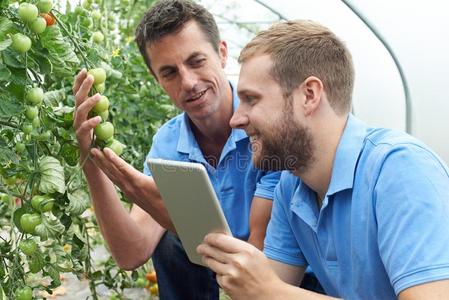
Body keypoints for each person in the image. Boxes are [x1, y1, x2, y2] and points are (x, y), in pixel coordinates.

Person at [197, 20, 449, 299]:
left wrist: (269, 289)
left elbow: (272, 290)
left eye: (251, 99)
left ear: (309, 95)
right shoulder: (291, 186)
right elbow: (267, 291)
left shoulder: (401, 170)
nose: (236, 119)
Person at [72, 0, 280, 299]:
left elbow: (262, 265)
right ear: (157, 80)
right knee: (168, 241)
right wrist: (91, 159)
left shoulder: (265, 124)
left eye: (196, 61)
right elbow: (132, 252)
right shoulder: (169, 143)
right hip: (221, 269)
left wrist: (166, 211)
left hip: (284, 277)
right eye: (169, 73)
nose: (189, 82)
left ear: (222, 53)